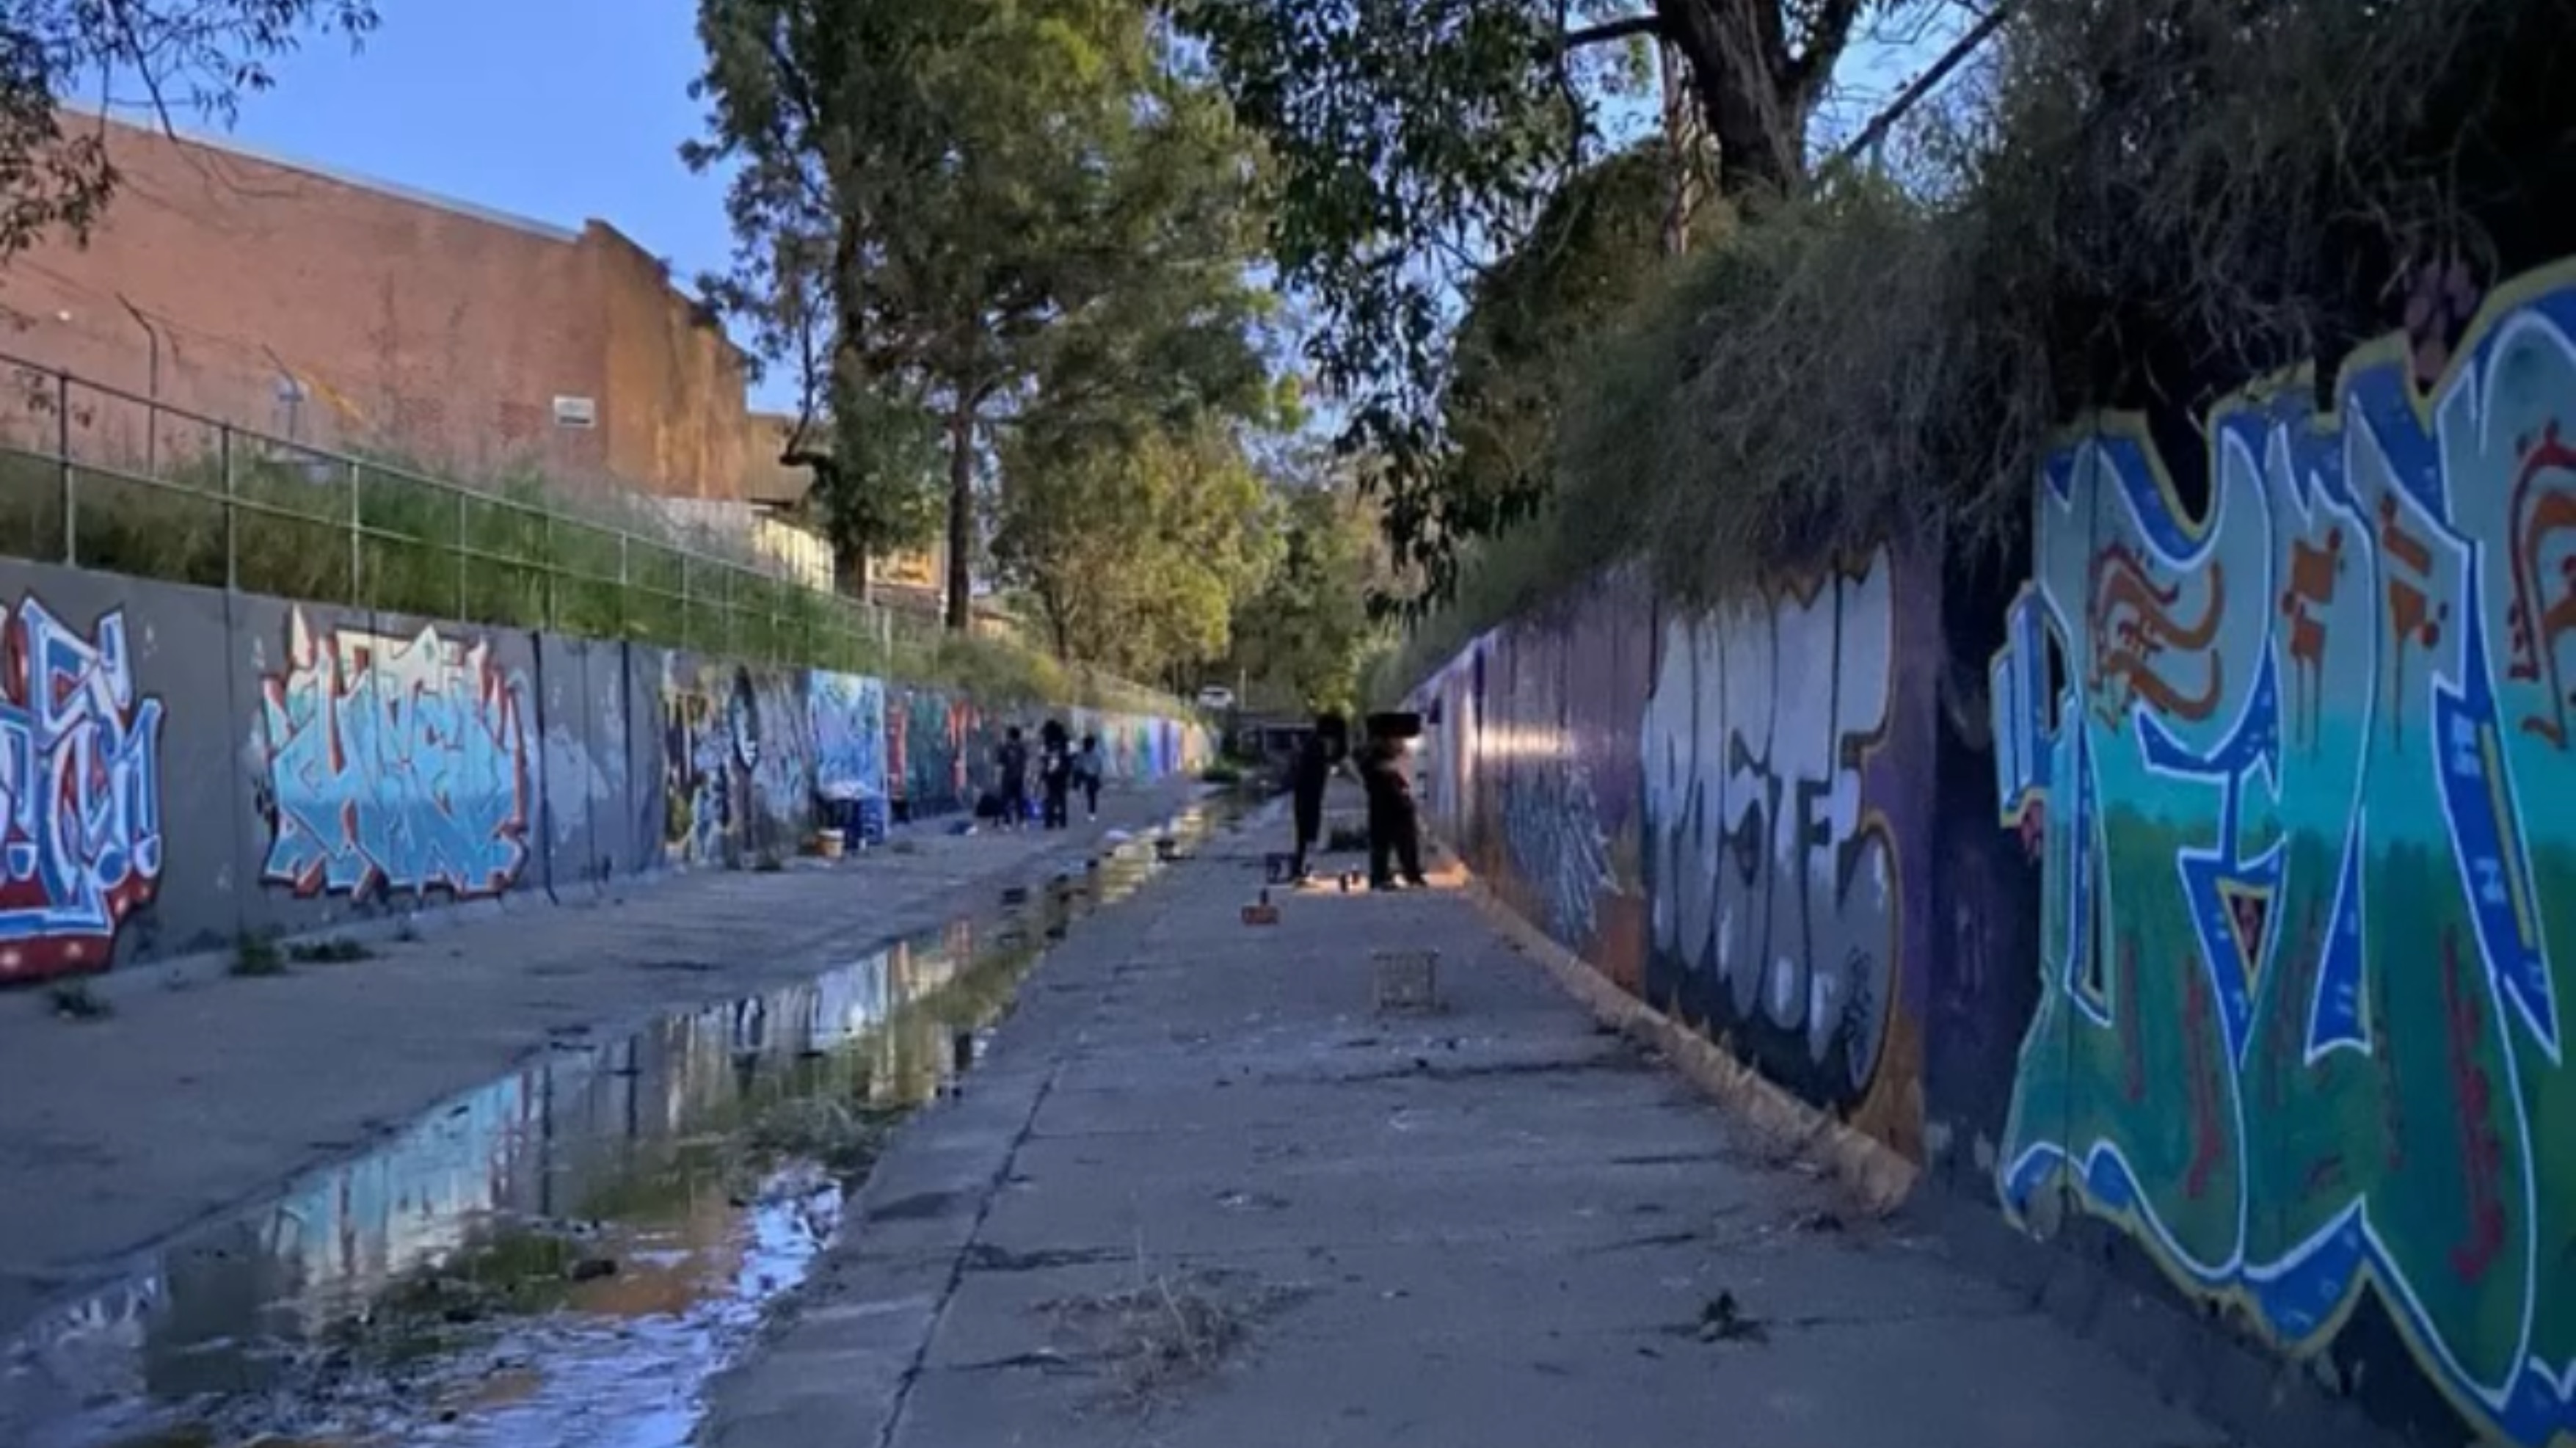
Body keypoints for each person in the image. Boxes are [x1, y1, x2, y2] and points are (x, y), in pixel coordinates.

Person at [1356, 715, 1427, 889]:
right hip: (1386, 806)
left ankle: (1403, 874)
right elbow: (1381, 775)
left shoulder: (1379, 757)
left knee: (1400, 842)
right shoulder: (1375, 758)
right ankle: (1387, 876)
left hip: (1391, 806)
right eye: (1397, 739)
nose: (1400, 743)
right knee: (1388, 843)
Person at [1287, 713, 1346, 879]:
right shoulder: (1316, 747)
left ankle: (1301, 866)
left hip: (1308, 793)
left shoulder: (1314, 744)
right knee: (1308, 832)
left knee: (1305, 834)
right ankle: (1302, 868)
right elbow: (1333, 762)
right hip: (1309, 794)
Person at [1038, 719, 1073, 829]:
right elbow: (1072, 754)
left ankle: (1050, 821)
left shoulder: (1047, 741)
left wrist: (1043, 771)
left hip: (1050, 773)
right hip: (1063, 772)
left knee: (1051, 796)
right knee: (1062, 797)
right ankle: (1062, 821)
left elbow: (1042, 756)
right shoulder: (1066, 740)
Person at [995, 727, 1030, 832]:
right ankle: (1019, 822)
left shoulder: (1007, 748)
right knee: (1016, 801)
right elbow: (1025, 763)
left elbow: (1000, 765)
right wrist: (1027, 776)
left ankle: (1011, 823)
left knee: (1010, 801)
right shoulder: (1020, 748)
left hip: (1010, 778)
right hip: (1015, 778)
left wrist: (997, 778)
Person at [1075, 732, 1105, 820]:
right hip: (1089, 776)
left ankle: (1092, 812)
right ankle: (1092, 813)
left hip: (1090, 777)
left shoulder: (1089, 754)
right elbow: (1099, 768)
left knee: (1092, 794)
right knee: (1092, 795)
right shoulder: (1086, 754)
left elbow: (1099, 768)